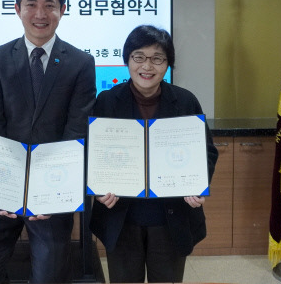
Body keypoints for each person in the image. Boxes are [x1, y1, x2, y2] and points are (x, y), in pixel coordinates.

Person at [0, 0, 96, 284]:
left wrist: (50, 193)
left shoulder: (80, 62)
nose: (40, 14)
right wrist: (3, 186)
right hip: (0, 184)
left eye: (50, 5)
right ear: (17, 8)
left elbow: (76, 130)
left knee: (50, 276)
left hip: (52, 187)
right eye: (32, 4)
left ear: (63, 10)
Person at [89, 25, 218, 283]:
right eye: (139, 57)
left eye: (157, 58)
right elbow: (92, 154)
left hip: (170, 217)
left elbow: (207, 151)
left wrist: (196, 186)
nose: (147, 66)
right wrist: (97, 188)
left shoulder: (184, 102)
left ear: (167, 63)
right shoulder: (106, 101)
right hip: (121, 216)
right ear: (128, 60)